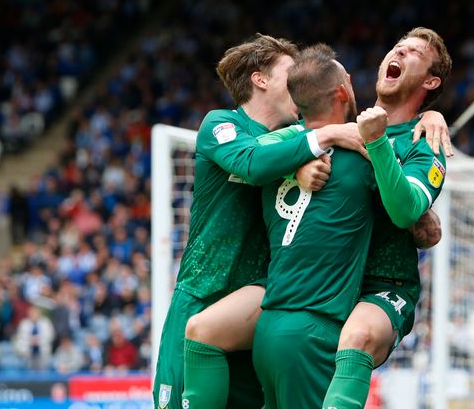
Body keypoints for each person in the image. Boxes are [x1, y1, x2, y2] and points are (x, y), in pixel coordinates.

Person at [154, 33, 367, 409]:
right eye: (291, 72)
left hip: (260, 305)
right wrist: (324, 136)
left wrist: (430, 114)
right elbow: (251, 163)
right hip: (203, 295)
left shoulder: (296, 140)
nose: (301, 80)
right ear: (261, 79)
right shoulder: (221, 125)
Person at [322, 27, 453, 408]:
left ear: (430, 80)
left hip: (384, 283)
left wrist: (380, 142)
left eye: (413, 52)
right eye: (397, 46)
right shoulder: (340, 123)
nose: (399, 51)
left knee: (359, 335)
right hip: (322, 277)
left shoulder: (426, 141)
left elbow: (406, 211)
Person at [250, 43, 376, 408]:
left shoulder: (275, 158)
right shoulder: (363, 159)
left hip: (268, 330)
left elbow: (261, 153)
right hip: (312, 334)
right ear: (341, 92)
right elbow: (410, 213)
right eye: (349, 80)